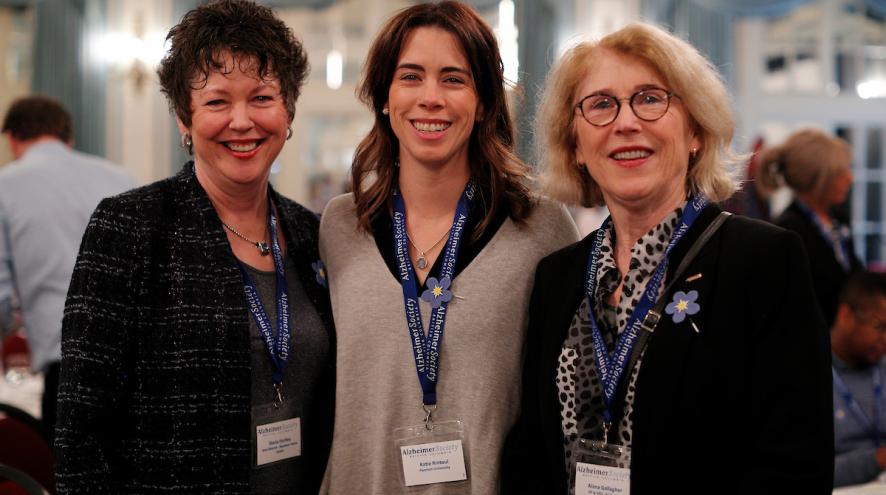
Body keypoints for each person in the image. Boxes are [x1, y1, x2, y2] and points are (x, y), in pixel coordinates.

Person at [503, 23, 834, 494]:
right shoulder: (558, 276)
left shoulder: (764, 262)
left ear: (695, 129)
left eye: (650, 98)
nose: (625, 123)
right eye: (601, 104)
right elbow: (532, 452)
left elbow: (796, 466)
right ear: (576, 145)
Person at [54, 1, 334, 492]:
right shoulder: (130, 227)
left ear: (288, 111)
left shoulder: (313, 234)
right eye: (217, 102)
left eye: (262, 98)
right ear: (185, 120)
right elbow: (81, 432)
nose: (242, 121)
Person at [318, 2, 579, 492]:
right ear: (383, 96)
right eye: (411, 76)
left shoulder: (540, 226)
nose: (430, 98)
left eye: (454, 79)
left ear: (482, 103)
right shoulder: (339, 226)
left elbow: (565, 392)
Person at [0, 95, 135, 441]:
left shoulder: (6, 185)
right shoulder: (122, 178)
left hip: (70, 367)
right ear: (68, 139)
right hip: (139, 359)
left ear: (13, 138)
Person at [757, 129, 862, 328]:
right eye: (840, 173)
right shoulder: (788, 230)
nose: (850, 179)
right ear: (817, 179)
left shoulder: (839, 219)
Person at [831, 270, 886, 487]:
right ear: (846, 316)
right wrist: (876, 460)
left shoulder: (881, 367)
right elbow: (803, 473)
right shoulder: (804, 376)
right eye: (880, 327)